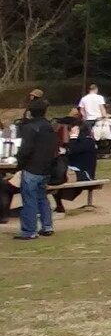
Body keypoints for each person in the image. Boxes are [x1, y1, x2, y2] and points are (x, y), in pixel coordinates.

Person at [12, 98, 57, 241]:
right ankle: (47, 225)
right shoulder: (50, 127)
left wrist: (19, 162)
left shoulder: (30, 128)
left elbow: (26, 149)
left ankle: (29, 230)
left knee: (29, 199)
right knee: (42, 197)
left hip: (32, 167)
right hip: (46, 167)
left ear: (30, 112)